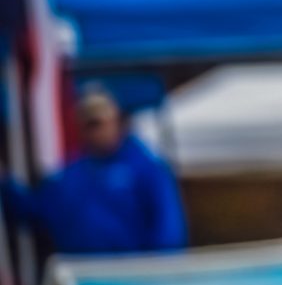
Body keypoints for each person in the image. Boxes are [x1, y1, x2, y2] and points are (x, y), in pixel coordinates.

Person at [2, 86, 187, 255]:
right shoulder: (70, 175)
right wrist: (5, 186)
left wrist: (157, 271)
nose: (95, 132)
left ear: (116, 121)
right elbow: (36, 210)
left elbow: (169, 231)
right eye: (88, 125)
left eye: (99, 123)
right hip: (83, 276)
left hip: (132, 275)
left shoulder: (148, 169)